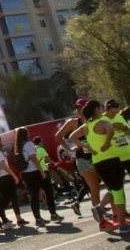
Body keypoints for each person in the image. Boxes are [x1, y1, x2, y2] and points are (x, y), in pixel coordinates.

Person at [70, 100, 129, 234]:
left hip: (98, 162)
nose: (103, 109)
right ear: (96, 109)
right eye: (101, 107)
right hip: (112, 159)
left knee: (114, 190)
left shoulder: (86, 126)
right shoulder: (103, 121)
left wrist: (87, 147)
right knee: (118, 191)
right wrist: (107, 142)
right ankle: (122, 224)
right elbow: (111, 131)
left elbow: (72, 137)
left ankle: (101, 208)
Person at [56, 98, 110, 229]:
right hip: (84, 159)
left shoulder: (95, 119)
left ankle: (114, 213)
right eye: (78, 108)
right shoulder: (73, 122)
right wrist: (70, 149)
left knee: (111, 186)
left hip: (100, 156)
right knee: (94, 188)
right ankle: (101, 219)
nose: (80, 110)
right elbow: (59, 136)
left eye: (82, 107)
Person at [15, 127, 63, 226]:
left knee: (34, 195)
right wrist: (42, 171)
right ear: (27, 134)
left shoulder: (19, 146)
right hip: (34, 172)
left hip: (25, 173)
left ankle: (38, 218)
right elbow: (33, 158)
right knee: (49, 191)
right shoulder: (29, 143)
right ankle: (53, 214)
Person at [0, 134, 28, 226]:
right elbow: (3, 165)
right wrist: (14, 175)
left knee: (5, 198)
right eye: (0, 141)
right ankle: (18, 218)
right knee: (13, 198)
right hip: (5, 176)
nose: (1, 142)